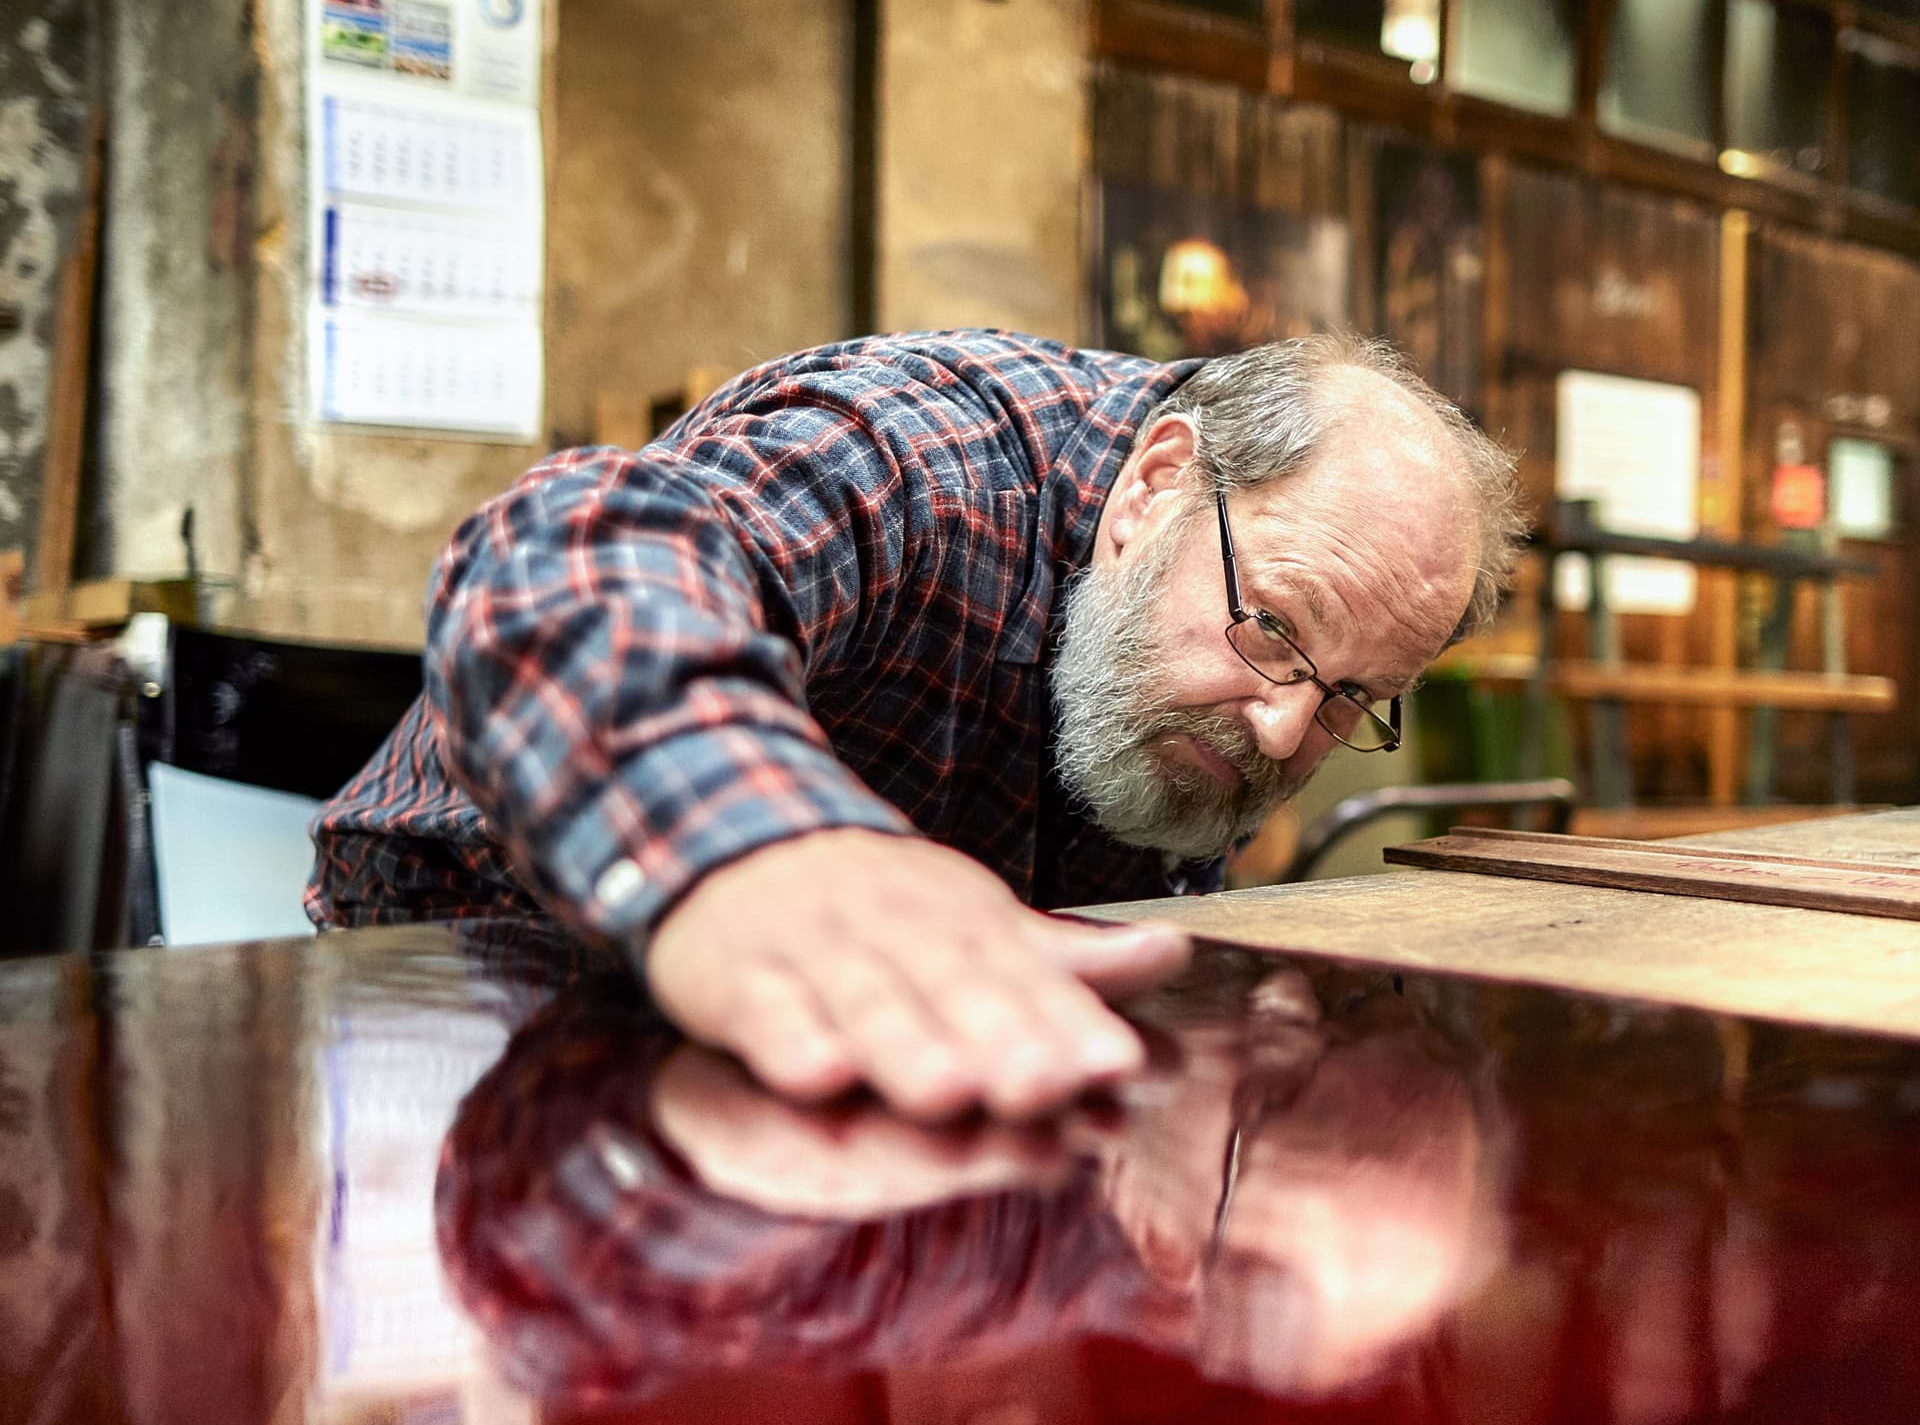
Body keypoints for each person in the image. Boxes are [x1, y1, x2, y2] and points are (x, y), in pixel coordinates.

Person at [309, 328, 1522, 1116]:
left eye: (1353, 697)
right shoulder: (926, 455)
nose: (1285, 732)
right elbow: (567, 557)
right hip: (459, 984)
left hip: (847, 1071)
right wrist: (746, 847)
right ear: (1155, 484)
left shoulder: (1237, 617)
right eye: (1273, 626)